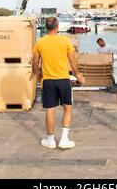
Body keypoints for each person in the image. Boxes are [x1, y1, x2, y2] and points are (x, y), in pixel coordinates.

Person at [32, 17, 85, 150]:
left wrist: (34, 73)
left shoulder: (40, 42)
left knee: (50, 110)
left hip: (48, 81)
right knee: (67, 108)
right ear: (57, 26)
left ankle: (50, 141)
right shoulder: (65, 41)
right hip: (63, 80)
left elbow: (35, 61)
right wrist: (78, 74)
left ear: (46, 27)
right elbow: (73, 61)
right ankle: (64, 139)